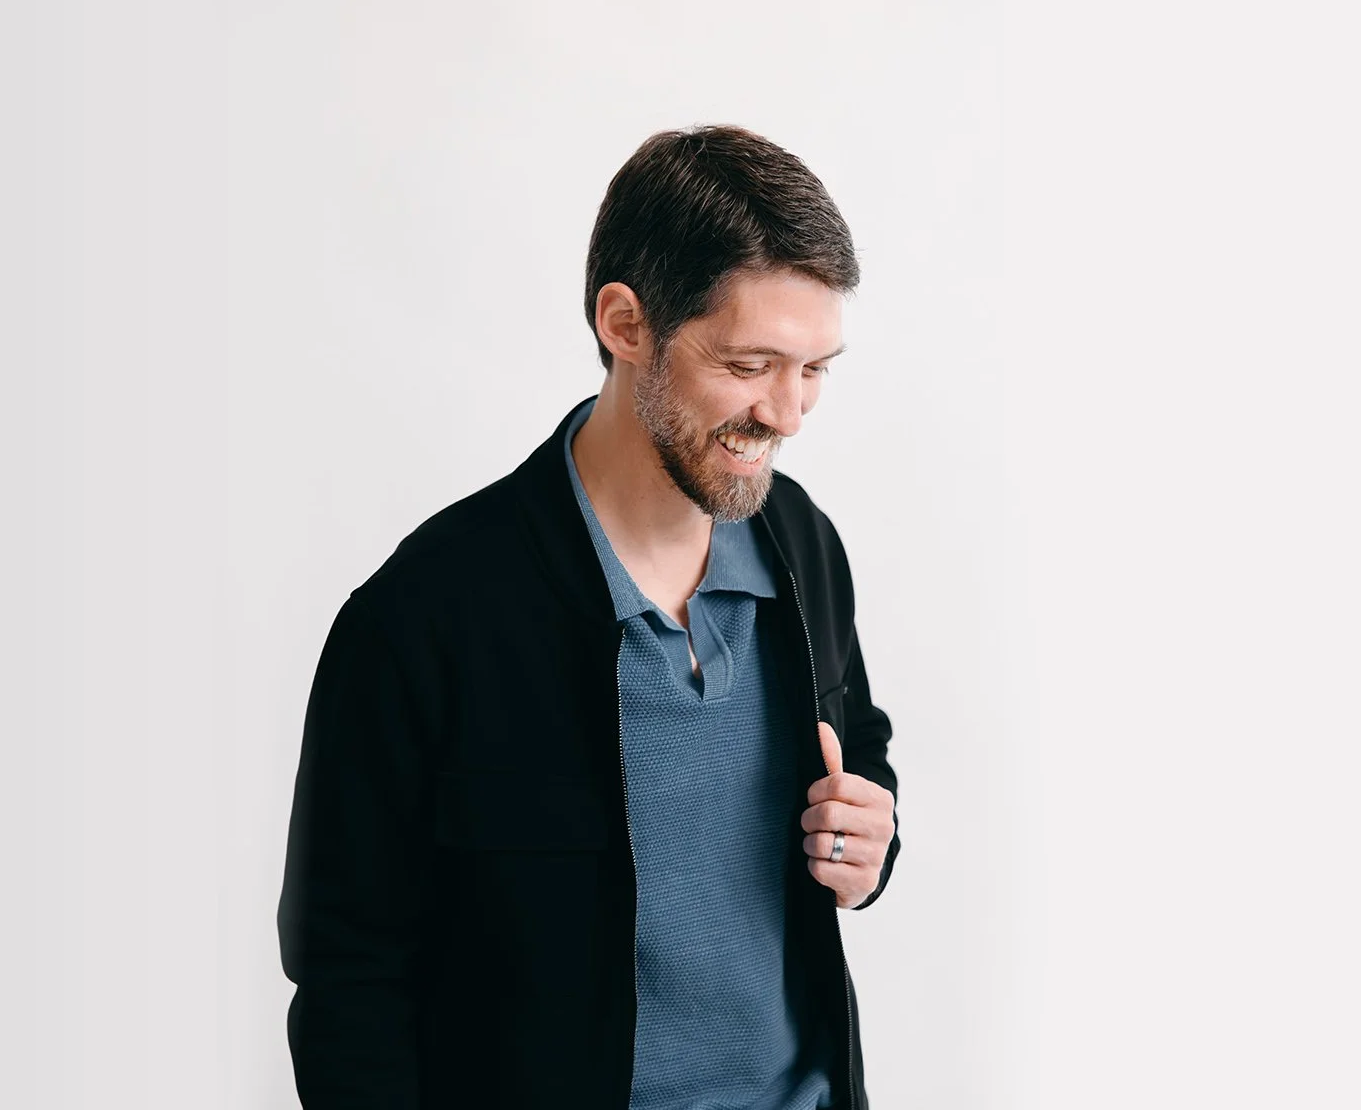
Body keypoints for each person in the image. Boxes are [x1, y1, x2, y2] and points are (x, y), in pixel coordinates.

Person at [277, 124, 901, 1110]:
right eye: (750, 364)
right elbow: (350, 981)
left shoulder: (801, 544)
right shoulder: (422, 618)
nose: (787, 413)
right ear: (626, 323)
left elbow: (855, 747)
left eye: (815, 368)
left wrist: (866, 844)